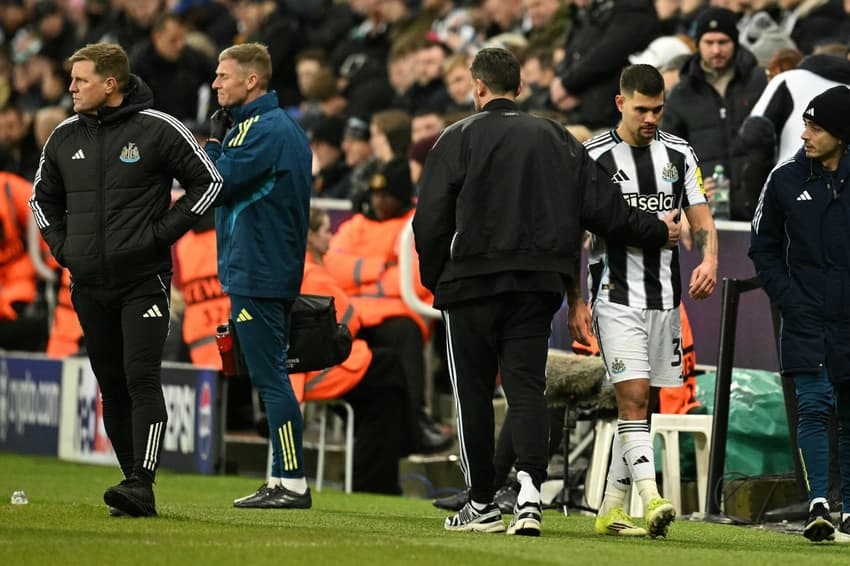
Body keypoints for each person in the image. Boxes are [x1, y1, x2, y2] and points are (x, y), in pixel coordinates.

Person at [414, 47, 680, 536]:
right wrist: (659, 230)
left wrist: (438, 278)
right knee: (527, 390)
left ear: (478, 87)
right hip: (537, 284)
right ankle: (530, 495)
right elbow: (606, 209)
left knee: (473, 395)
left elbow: (428, 220)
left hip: (469, 283)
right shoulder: (556, 138)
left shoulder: (455, 138)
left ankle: (481, 504)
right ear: (520, 88)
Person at [29, 42, 222, 517]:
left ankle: (142, 482)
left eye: (81, 80)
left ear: (110, 84)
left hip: (143, 280)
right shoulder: (63, 136)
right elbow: (41, 200)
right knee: (111, 385)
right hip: (88, 284)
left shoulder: (159, 128)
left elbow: (209, 182)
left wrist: (161, 235)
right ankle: (131, 481)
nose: (71, 88)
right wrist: (64, 249)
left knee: (141, 377)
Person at [580, 64, 718, 538]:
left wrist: (709, 261)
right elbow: (574, 231)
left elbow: (701, 216)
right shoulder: (594, 156)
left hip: (665, 300)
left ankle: (610, 508)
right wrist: (574, 299)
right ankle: (652, 497)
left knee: (645, 403)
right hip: (613, 295)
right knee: (634, 395)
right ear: (620, 103)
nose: (651, 118)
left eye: (658, 109)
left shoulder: (679, 153)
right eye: (641, 109)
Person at [204, 42, 313, 509]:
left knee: (271, 379)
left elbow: (216, 182)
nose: (215, 83)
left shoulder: (264, 129)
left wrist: (212, 145)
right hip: (261, 268)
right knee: (269, 377)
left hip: (259, 271)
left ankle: (292, 481)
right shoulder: (266, 126)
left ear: (251, 80)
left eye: (223, 75)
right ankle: (278, 478)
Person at [749, 85, 850, 542]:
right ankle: (818, 505)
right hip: (805, 314)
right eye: (805, 124)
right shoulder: (784, 179)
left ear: (841, 135)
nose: (805, 134)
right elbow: (762, 247)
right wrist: (788, 298)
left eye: (816, 127)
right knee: (812, 406)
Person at [290, 207, 408, 494]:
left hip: (299, 370)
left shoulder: (296, 267)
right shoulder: (313, 274)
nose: (331, 237)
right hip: (316, 371)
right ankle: (378, 479)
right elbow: (349, 319)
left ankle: (380, 471)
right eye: (326, 231)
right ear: (310, 236)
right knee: (388, 371)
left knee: (383, 382)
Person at [661, 7, 768, 221]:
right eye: (709, 43)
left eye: (723, 42)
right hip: (709, 211)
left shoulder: (760, 81)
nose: (716, 50)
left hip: (762, 204)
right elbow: (669, 158)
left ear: (735, 41)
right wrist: (692, 192)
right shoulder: (681, 94)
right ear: (698, 44)